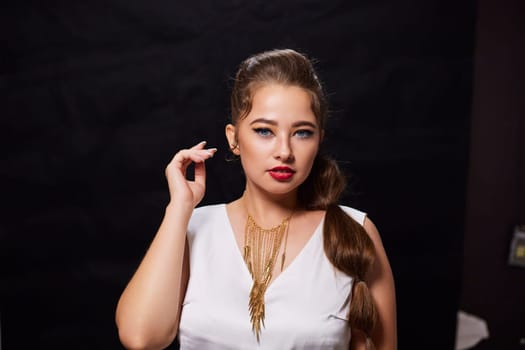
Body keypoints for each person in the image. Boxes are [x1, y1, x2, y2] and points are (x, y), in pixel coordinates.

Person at [115, 49, 397, 350]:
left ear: (319, 140)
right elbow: (141, 338)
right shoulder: (193, 227)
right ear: (233, 138)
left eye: (302, 133)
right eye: (264, 131)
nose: (284, 151)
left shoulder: (355, 231)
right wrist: (179, 209)